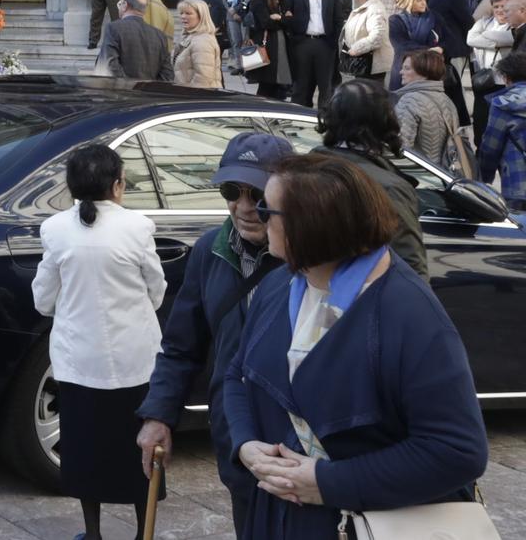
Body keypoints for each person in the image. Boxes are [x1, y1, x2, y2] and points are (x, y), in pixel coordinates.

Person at [221, 155, 486, 537]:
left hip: (362, 524)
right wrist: (246, 443)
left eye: (266, 207)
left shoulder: (408, 312)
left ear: (309, 224)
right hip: (276, 518)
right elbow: (237, 374)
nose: (256, 215)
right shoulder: (280, 285)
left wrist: (330, 482)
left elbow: (457, 451)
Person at [136, 132, 293, 535]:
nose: (243, 208)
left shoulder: (302, 255)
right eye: (231, 191)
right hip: (234, 435)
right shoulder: (210, 249)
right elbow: (181, 345)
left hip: (294, 442)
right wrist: (159, 415)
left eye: (255, 194)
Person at [32, 143, 166, 540]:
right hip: (136, 362)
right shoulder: (138, 226)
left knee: (84, 454)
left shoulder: (54, 229)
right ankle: (144, 533)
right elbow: (156, 291)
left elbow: (43, 300)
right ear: (118, 185)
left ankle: (92, 534)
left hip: (78, 362)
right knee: (140, 454)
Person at [314, 79, 427, 278]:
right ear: (385, 121)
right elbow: (409, 265)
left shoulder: (301, 170)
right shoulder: (388, 188)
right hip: (361, 300)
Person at [284, 0, 349, 108]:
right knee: (301, 84)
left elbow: (338, 19)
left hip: (325, 44)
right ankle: (299, 116)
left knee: (326, 86)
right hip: (302, 43)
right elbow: (287, 16)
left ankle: (324, 119)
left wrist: (335, 42)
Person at [477, 50, 526, 211]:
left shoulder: (502, 105)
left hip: (518, 182)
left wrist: (484, 177)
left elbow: (491, 146)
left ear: (506, 77)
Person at [394, 49, 458, 167]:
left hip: (420, 174)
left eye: (407, 68)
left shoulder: (409, 101)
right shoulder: (446, 100)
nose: (400, 72)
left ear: (424, 72)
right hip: (443, 172)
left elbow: (401, 148)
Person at [97, 0, 172, 81]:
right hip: (149, 93)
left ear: (125, 5)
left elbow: (109, 65)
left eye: (120, 4)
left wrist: (130, 88)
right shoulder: (160, 35)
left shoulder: (114, 28)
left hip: (122, 92)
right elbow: (167, 75)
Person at [244, 0, 292, 101]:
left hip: (282, 45)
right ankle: (262, 112)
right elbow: (266, 23)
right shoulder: (258, 0)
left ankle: (277, 114)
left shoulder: (281, 0)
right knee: (267, 85)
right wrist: (282, 19)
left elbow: (291, 21)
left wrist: (280, 18)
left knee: (280, 84)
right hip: (267, 46)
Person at [339, 0, 392, 81]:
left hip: (370, 64)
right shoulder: (368, 8)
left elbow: (377, 36)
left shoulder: (375, 10)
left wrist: (356, 49)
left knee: (370, 95)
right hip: (363, 63)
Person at [386, 0, 437, 92]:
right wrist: (428, 50)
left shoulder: (431, 19)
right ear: (409, 1)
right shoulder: (395, 20)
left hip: (425, 67)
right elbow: (401, 45)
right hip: (404, 66)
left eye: (424, 0)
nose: (424, 3)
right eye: (419, 0)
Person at [173, 0, 223, 89]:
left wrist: (189, 98)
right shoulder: (189, 36)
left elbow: (203, 80)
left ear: (201, 16)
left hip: (195, 98)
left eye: (188, 13)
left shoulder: (202, 42)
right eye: (181, 13)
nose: (183, 16)